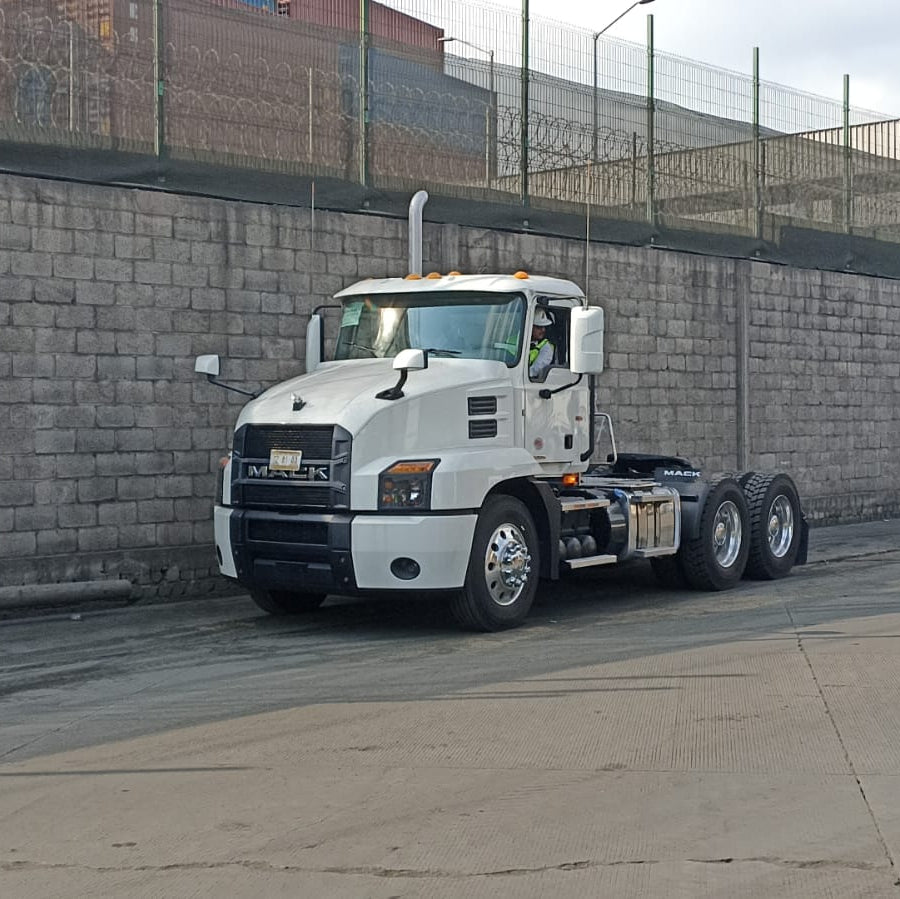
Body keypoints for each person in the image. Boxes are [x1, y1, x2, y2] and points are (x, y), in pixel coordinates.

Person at [528, 309, 555, 379]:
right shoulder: (513, 339)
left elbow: (535, 370)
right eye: (539, 327)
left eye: (544, 327)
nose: (543, 330)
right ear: (530, 326)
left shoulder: (546, 347)